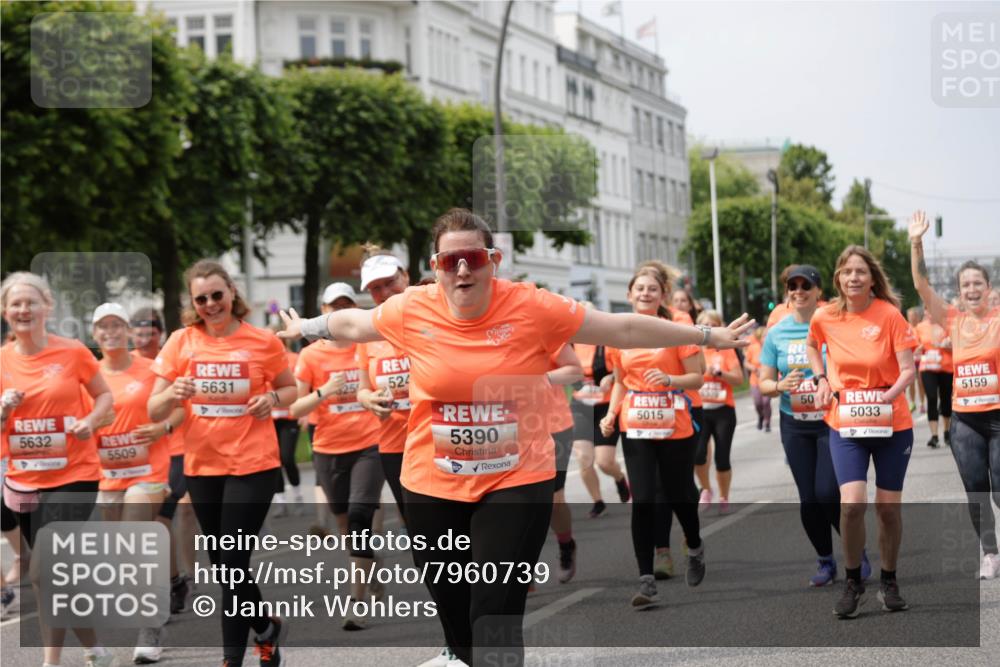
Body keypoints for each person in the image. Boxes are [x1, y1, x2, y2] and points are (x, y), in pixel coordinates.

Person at [279, 208, 752, 665]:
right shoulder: (412, 308)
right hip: (431, 483)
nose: (463, 269)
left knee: (493, 615)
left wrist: (706, 338)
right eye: (449, 261)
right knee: (458, 626)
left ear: (494, 260)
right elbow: (351, 323)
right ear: (435, 268)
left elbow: (622, 326)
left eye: (475, 258)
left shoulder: (531, 304)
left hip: (515, 480)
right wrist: (305, 327)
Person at [148, 260, 297, 667]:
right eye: (202, 298)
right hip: (203, 468)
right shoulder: (181, 342)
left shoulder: (261, 341)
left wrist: (271, 399)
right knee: (226, 570)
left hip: (254, 465)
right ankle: (266, 630)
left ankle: (232, 658)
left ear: (232, 292)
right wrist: (173, 391)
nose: (211, 304)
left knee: (232, 562)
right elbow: (154, 406)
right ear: (192, 303)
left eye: (217, 294)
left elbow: (289, 387)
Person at [1, 272, 116, 667]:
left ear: (47, 306)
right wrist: (3, 411)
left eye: (31, 302)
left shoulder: (72, 352)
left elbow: (105, 397)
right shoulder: (0, 360)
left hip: (75, 474)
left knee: (43, 570)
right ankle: (96, 649)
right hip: (25, 480)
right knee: (62, 575)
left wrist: (92, 422)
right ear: (4, 312)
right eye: (15, 303)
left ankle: (50, 662)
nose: (23, 309)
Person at [806, 246, 917, 618]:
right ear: (838, 277)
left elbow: (907, 369)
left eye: (861, 272)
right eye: (847, 271)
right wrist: (821, 377)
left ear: (872, 278)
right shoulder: (825, 316)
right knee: (852, 504)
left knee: (887, 510)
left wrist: (886, 396)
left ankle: (889, 579)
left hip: (891, 423)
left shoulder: (889, 315)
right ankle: (853, 580)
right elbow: (811, 346)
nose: (853, 277)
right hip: (847, 424)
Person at [599, 265, 708, 607]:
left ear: (662, 296)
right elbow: (620, 380)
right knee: (643, 499)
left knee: (679, 496)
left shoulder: (677, 328)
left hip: (675, 426)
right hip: (636, 427)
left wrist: (670, 380)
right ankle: (646, 579)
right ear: (629, 295)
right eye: (639, 289)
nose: (645, 293)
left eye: (652, 289)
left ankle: (694, 545)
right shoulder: (618, 333)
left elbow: (698, 378)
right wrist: (611, 414)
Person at [91, 302, 184, 663]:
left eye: (117, 325)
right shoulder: (90, 375)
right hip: (107, 476)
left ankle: (150, 629)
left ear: (128, 331)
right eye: (103, 326)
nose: (111, 331)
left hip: (149, 473)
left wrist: (163, 427)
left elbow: (179, 407)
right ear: (95, 335)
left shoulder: (151, 370)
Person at [909, 210, 1000, 579]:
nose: (972, 289)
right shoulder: (952, 320)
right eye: (966, 285)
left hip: (998, 418)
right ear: (959, 292)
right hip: (965, 421)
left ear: (989, 289)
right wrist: (917, 242)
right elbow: (921, 285)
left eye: (978, 283)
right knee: (977, 489)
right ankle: (991, 553)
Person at [290, 282, 385, 631]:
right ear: (324, 311)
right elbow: (296, 406)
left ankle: (356, 600)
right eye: (334, 306)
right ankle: (371, 567)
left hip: (369, 444)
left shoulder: (368, 346)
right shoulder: (311, 354)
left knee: (360, 514)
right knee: (346, 525)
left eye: (347, 304)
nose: (341, 310)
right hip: (328, 448)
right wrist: (323, 392)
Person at [760, 265, 858, 587]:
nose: (798, 291)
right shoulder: (776, 333)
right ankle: (826, 560)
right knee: (809, 500)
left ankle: (856, 551)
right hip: (795, 424)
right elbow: (763, 382)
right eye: (793, 286)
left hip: (832, 421)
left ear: (819, 292)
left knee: (828, 493)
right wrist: (779, 386)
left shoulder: (835, 324)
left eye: (805, 286)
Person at [139, 307, 199, 618]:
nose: (144, 335)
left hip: (178, 449)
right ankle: (175, 580)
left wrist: (163, 427)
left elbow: (182, 408)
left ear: (159, 333)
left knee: (176, 514)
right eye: (139, 330)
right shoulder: (122, 369)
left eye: (150, 329)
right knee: (157, 523)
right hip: (140, 461)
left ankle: (183, 576)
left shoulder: (170, 359)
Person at [355, 247, 412, 517]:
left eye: (390, 282)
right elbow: (362, 389)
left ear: (406, 276)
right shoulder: (368, 333)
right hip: (394, 444)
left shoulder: (436, 319)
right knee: (418, 531)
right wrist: (368, 399)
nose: (385, 292)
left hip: (441, 441)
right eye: (376, 288)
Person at [570, 330, 630, 519]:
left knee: (604, 462)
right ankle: (598, 502)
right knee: (583, 458)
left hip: (606, 406)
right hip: (581, 406)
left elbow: (622, 370)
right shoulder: (569, 346)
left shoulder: (606, 343)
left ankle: (620, 478)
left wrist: (610, 377)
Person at [694, 310, 744, 515]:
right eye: (705, 325)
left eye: (714, 325)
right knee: (698, 455)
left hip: (723, 410)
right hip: (700, 410)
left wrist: (721, 374)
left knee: (722, 457)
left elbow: (739, 380)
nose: (710, 329)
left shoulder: (725, 350)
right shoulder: (694, 349)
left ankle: (724, 497)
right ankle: (706, 489)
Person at [546, 345, 584, 583]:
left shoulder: (544, 327)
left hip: (553, 426)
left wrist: (542, 379)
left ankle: (566, 545)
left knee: (554, 500)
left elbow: (575, 372)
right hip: (505, 426)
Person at [270, 332, 304, 515]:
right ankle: (281, 500)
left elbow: (304, 385)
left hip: (290, 417)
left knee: (287, 457)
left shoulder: (294, 359)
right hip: (269, 418)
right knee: (274, 461)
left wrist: (306, 412)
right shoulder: (263, 358)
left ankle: (298, 495)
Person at [914, 309, 953, 448]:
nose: (930, 313)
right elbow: (914, 346)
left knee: (946, 399)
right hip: (928, 367)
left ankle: (947, 432)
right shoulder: (920, 327)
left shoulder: (947, 325)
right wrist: (917, 349)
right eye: (927, 310)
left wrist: (947, 346)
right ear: (925, 311)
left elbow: (956, 346)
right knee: (931, 398)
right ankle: (934, 435)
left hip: (946, 366)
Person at [745, 327, 772, 431]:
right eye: (764, 336)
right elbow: (746, 362)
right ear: (759, 338)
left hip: (768, 380)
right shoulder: (753, 348)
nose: (766, 338)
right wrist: (754, 368)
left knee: (766, 402)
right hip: (755, 381)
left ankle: (767, 422)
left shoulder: (771, 348)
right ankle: (761, 416)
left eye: (768, 336)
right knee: (758, 403)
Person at [905, 307, 927, 414]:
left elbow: (926, 341)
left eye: (914, 316)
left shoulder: (921, 327)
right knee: (911, 383)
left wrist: (920, 347)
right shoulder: (906, 328)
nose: (912, 318)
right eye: (910, 317)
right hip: (910, 360)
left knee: (921, 383)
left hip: (921, 359)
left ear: (918, 317)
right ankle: (912, 403)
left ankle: (922, 403)